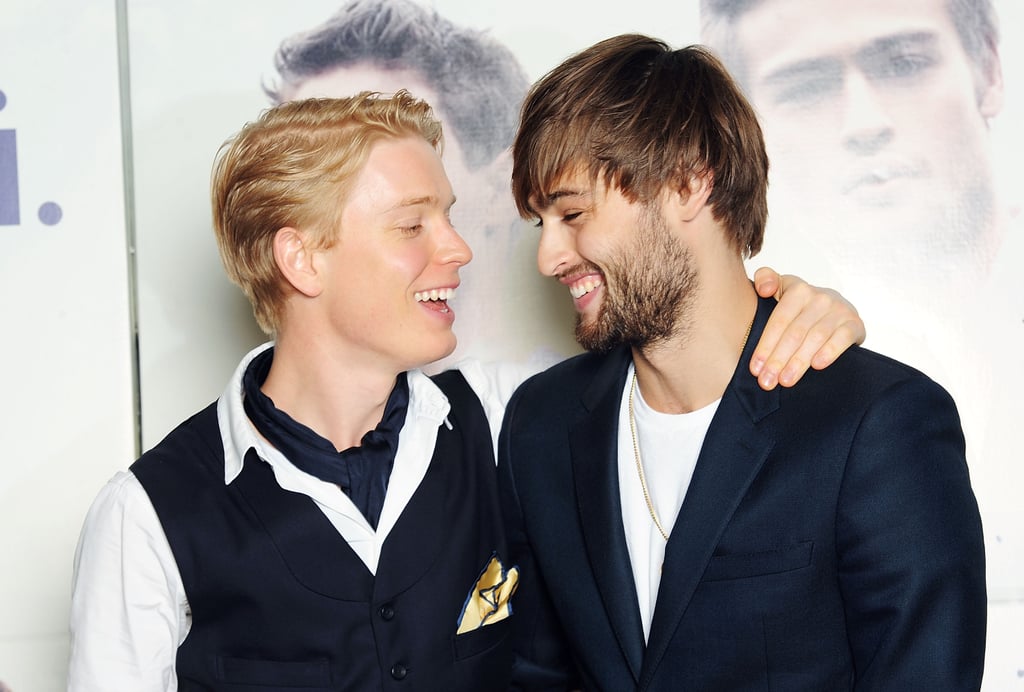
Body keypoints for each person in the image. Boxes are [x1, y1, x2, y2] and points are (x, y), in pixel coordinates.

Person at [67, 91, 862, 690]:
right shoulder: (145, 518)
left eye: (447, 218)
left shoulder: (517, 420)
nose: (457, 249)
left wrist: (799, 308)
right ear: (301, 259)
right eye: (413, 226)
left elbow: (689, 337)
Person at [498, 35, 986, 690]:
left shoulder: (877, 424)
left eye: (573, 213)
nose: (549, 257)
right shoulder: (540, 423)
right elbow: (535, 671)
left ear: (688, 182)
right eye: (541, 224)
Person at [699, 0, 1022, 601]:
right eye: (806, 88)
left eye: (903, 64)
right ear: (743, 133)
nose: (863, 121)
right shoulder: (759, 355)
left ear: (991, 72)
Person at [266, 0, 570, 369]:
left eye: (376, 153)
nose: (314, 203)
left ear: (499, 190)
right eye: (299, 166)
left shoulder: (560, 412)